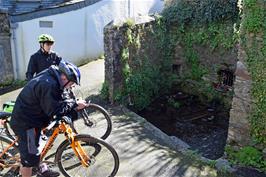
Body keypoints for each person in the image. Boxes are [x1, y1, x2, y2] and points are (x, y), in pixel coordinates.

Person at [10, 60, 87, 177]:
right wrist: (75, 104)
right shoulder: (48, 85)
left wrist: (71, 102)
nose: (72, 86)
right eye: (72, 83)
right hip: (26, 123)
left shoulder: (53, 75)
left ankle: (41, 168)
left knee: (38, 146)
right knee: (28, 161)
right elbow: (54, 110)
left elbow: (60, 96)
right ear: (65, 78)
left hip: (34, 116)